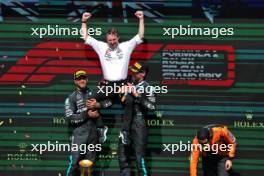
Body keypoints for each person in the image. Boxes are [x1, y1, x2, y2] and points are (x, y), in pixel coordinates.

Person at [80, 10, 145, 145]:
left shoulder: (126, 46)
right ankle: (100, 127)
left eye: (114, 40)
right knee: (90, 99)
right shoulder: (101, 47)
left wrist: (141, 19)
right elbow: (86, 37)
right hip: (108, 86)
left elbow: (139, 36)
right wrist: (84, 22)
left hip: (122, 85)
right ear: (106, 40)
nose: (112, 42)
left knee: (129, 101)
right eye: (109, 40)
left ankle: (125, 131)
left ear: (118, 38)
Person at [65, 70, 111, 176]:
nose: (82, 80)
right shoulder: (71, 98)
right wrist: (87, 115)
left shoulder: (94, 93)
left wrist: (98, 105)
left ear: (87, 79)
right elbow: (69, 118)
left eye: (83, 78)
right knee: (74, 164)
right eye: (79, 78)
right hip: (79, 135)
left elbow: (110, 102)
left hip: (93, 134)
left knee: (90, 165)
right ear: (75, 81)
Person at [118, 61, 156, 176]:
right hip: (126, 124)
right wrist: (121, 94)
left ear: (143, 74)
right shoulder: (129, 84)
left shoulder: (148, 87)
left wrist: (137, 95)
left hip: (139, 124)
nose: (132, 73)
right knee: (122, 156)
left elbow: (152, 107)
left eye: (135, 72)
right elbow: (124, 103)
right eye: (132, 71)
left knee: (140, 158)